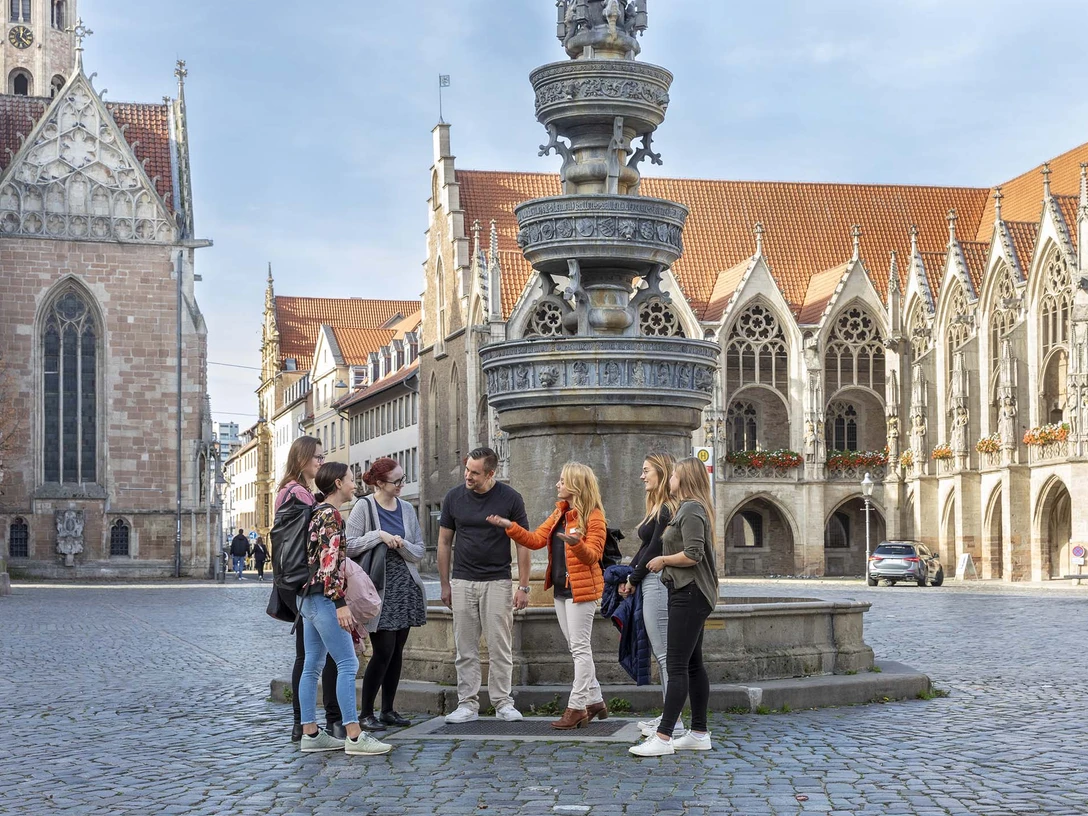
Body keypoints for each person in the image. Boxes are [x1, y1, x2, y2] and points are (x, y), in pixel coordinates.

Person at [487, 462, 607, 729]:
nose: (557, 484)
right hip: (561, 590)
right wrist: (510, 526)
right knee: (577, 648)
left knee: (580, 649)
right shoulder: (560, 513)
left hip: (581, 591)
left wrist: (576, 546)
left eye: (562, 480)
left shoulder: (594, 517)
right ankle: (596, 699)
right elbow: (534, 540)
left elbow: (594, 557)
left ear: (576, 485)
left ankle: (577, 707)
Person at [297, 461, 392, 756]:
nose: (354, 485)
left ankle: (310, 733)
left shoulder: (315, 512)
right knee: (348, 663)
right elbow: (329, 563)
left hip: (306, 596)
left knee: (312, 664)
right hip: (325, 598)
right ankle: (354, 736)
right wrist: (339, 603)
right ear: (338, 483)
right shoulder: (331, 515)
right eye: (351, 480)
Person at [630, 457, 718, 757]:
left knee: (677, 665)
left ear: (685, 479)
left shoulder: (691, 508)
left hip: (689, 591)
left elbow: (693, 554)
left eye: (674, 476)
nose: (670, 480)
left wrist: (664, 560)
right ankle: (698, 732)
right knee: (692, 664)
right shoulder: (687, 508)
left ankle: (665, 736)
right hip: (688, 591)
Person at [438, 446, 531, 724]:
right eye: (467, 469)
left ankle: (503, 702)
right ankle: (467, 703)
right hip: (463, 580)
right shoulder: (453, 498)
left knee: (500, 645)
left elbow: (523, 541)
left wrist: (523, 586)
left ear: (491, 473)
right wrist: (445, 584)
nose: (468, 476)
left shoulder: (510, 498)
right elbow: (444, 542)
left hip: (498, 580)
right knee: (465, 647)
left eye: (475, 472)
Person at [346, 457, 427, 732]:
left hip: (404, 585)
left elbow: (418, 550)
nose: (402, 485)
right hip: (377, 586)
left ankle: (388, 709)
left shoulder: (406, 508)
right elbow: (348, 546)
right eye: (397, 481)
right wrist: (379, 535)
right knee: (383, 650)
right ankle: (366, 712)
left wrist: (401, 544)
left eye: (403, 479)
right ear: (380, 483)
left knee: (397, 651)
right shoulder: (364, 506)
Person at [273, 436, 343, 743]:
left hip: (292, 578)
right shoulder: (298, 492)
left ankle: (304, 724)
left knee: (308, 654)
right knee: (314, 656)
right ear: (302, 459)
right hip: (306, 578)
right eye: (317, 457)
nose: (321, 461)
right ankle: (314, 723)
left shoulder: (289, 490)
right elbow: (312, 538)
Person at [619, 453, 684, 737]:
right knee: (663, 653)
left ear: (660, 472)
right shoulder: (658, 507)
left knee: (664, 653)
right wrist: (630, 575)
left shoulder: (667, 508)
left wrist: (633, 577)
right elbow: (646, 548)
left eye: (646, 471)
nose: (642, 476)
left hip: (658, 581)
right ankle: (670, 716)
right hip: (650, 579)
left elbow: (655, 549)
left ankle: (675, 722)